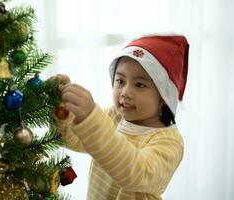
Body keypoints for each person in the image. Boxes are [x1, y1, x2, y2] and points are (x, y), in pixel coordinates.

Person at [54, 35, 189, 200]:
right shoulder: (114, 116)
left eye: (139, 85)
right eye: (120, 81)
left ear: (163, 96)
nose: (125, 92)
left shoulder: (169, 142)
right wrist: (62, 110)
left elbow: (136, 174)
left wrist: (91, 118)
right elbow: (75, 140)